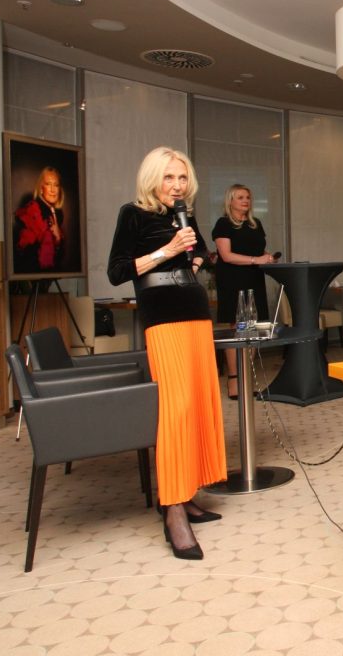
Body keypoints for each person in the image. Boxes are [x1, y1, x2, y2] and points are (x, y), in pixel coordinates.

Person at [106, 146, 224, 561]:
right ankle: (172, 508)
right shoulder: (132, 214)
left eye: (182, 177)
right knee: (175, 411)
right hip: (162, 317)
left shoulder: (184, 214)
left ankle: (188, 494)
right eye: (169, 177)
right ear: (152, 178)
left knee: (198, 404)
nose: (176, 185)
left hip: (195, 312)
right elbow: (118, 271)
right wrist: (168, 251)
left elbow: (202, 255)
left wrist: (193, 263)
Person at [211, 184, 278, 399]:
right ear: (230, 201)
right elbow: (226, 255)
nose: (245, 200)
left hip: (254, 279)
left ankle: (246, 378)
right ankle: (234, 380)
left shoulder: (255, 223)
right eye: (240, 197)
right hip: (233, 281)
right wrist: (256, 260)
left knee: (254, 329)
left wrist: (268, 257)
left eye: (248, 197)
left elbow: (258, 250)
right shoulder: (223, 224)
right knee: (238, 329)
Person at [13, 166, 66, 273]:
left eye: (56, 185)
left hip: (51, 272)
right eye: (48, 184)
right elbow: (28, 251)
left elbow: (59, 255)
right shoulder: (33, 210)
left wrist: (58, 238)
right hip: (33, 271)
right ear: (41, 188)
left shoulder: (58, 214)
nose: (52, 190)